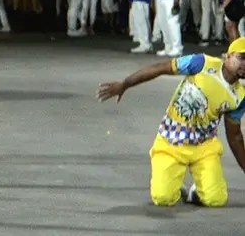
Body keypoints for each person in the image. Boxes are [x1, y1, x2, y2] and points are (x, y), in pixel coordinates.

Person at [96, 38, 245, 207]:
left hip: (205, 146)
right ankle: (173, 183)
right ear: (228, 56)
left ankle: (197, 190)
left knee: (216, 200)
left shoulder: (240, 96)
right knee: (162, 198)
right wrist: (125, 84)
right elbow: (161, 68)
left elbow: (234, 136)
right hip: (171, 140)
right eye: (242, 57)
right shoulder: (201, 63)